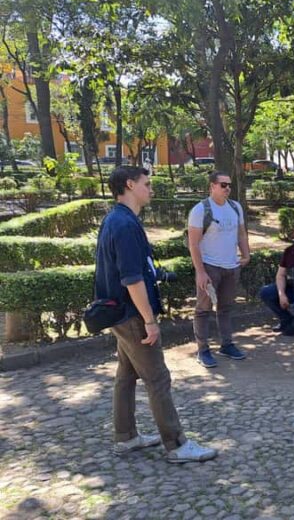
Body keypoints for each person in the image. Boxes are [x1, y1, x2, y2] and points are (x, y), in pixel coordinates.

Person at [95, 166, 216, 463]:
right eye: (147, 184)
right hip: (132, 315)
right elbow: (131, 279)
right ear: (129, 185)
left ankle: (125, 437)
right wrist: (149, 321)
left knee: (126, 375)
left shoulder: (118, 219)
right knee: (158, 378)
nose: (151, 189)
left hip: (120, 315)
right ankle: (176, 445)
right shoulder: (122, 224)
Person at [188, 171, 251, 368]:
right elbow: (194, 244)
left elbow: (241, 233)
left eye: (229, 185)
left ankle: (227, 344)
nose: (227, 188)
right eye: (223, 185)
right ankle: (203, 349)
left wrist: (246, 254)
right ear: (212, 186)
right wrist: (200, 271)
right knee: (203, 309)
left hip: (231, 266)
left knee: (225, 308)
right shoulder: (200, 210)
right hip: (210, 266)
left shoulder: (235, 207)